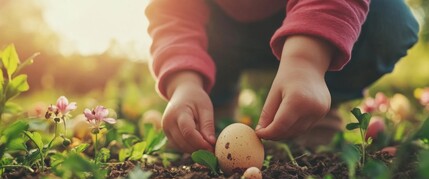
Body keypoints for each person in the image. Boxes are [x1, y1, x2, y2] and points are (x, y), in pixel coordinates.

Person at [145, 0, 419, 153]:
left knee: (391, 23)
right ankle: (209, 110)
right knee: (198, 54)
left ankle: (318, 100)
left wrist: (306, 62)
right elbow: (173, 13)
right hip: (223, 28)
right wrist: (184, 82)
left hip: (324, 20)